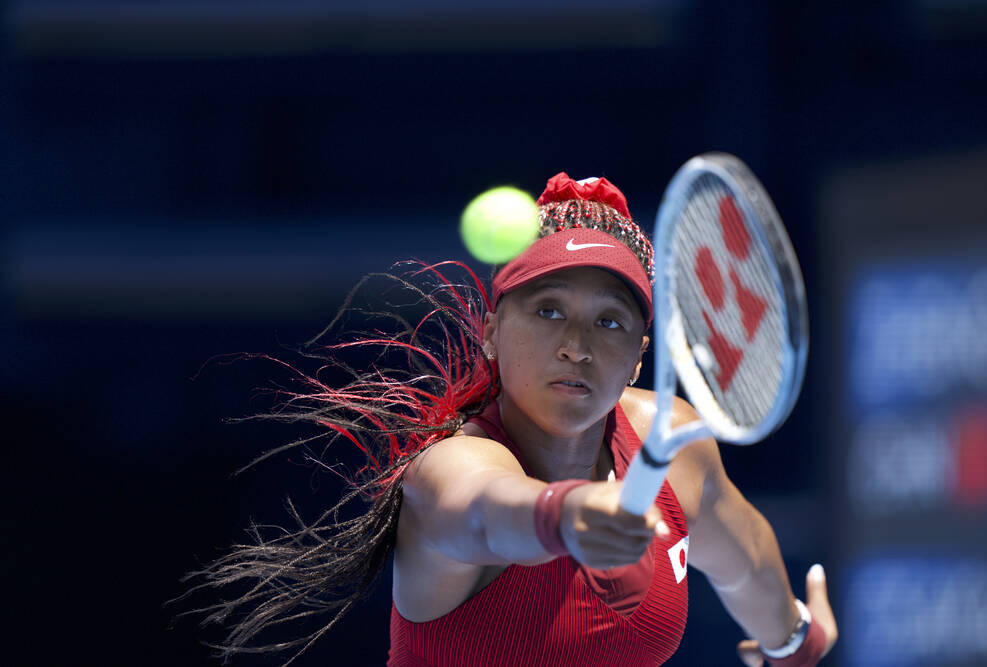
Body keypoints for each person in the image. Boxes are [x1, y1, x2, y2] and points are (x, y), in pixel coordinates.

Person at [188, 173, 837, 667]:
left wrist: (794, 640)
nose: (576, 344)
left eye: (608, 320)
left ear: (640, 355)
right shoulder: (451, 466)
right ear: (493, 331)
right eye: (548, 309)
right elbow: (483, 512)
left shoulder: (672, 442)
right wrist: (566, 517)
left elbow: (746, 557)